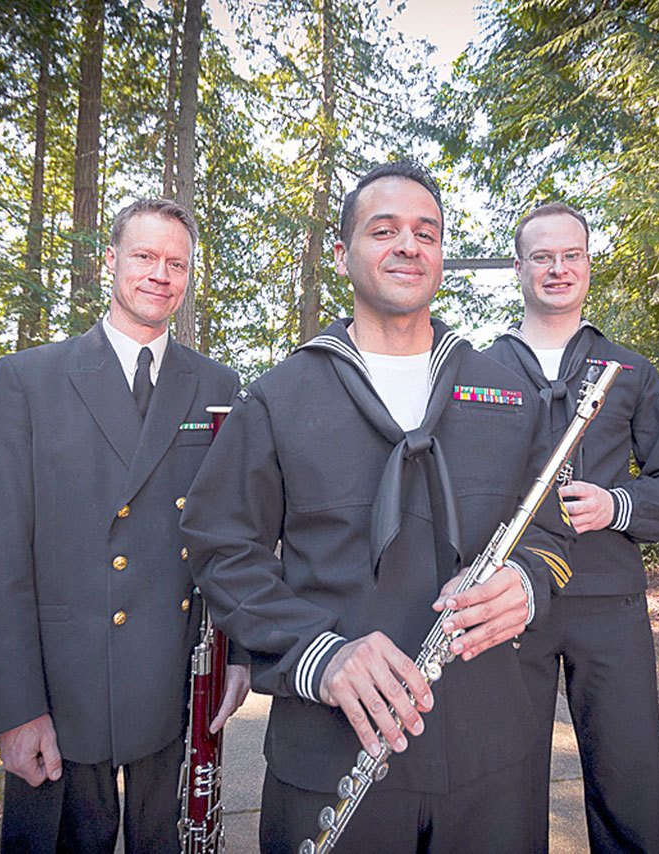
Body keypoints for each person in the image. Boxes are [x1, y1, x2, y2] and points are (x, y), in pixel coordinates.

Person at [181, 161, 576, 853]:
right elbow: (222, 546)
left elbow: (551, 528)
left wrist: (529, 583)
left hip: (495, 758)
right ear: (342, 255)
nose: (408, 245)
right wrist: (317, 654)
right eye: (383, 229)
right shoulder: (278, 397)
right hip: (330, 757)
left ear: (442, 256)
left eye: (426, 232)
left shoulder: (509, 392)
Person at [0, 198, 251, 852]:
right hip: (65, 694)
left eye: (176, 263)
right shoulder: (28, 380)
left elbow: (234, 533)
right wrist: (16, 712)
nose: (160, 273)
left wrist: (240, 651)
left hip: (174, 689)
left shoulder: (216, 384)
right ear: (110, 262)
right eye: (145, 256)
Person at [485, 202, 659, 853]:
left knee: (628, 777)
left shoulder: (631, 371)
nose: (558, 268)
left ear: (587, 263)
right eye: (543, 257)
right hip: (510, 603)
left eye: (571, 255)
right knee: (501, 783)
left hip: (608, 601)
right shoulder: (477, 372)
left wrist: (618, 505)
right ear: (518, 267)